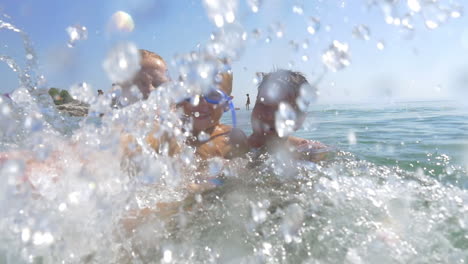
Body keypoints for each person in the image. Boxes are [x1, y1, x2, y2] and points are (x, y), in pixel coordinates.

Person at [248, 69, 329, 162]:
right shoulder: (232, 148)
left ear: (299, 121)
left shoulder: (308, 152)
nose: (268, 116)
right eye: (264, 104)